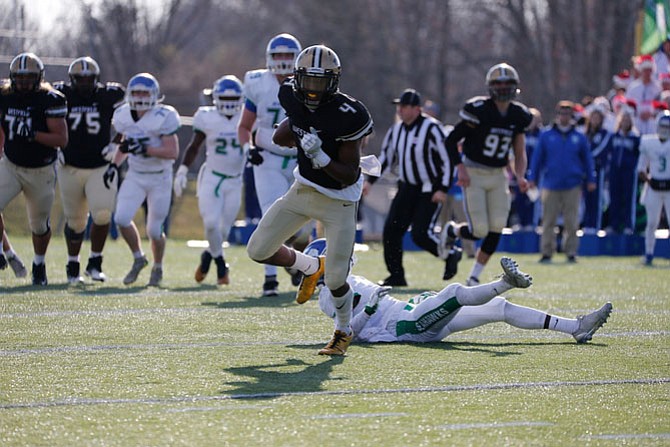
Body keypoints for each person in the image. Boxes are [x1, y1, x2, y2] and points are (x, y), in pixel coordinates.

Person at [246, 44, 374, 356]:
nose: (313, 90)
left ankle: (343, 330)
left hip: (339, 199)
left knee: (336, 280)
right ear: (298, 78)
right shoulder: (290, 93)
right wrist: (292, 132)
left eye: (321, 82)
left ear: (333, 82)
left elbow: (348, 174)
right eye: (309, 81)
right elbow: (283, 134)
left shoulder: (349, 115)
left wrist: (320, 154)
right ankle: (308, 265)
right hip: (302, 189)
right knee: (257, 249)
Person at [312, 240, 612, 345]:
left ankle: (577, 327)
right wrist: (369, 308)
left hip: (409, 313)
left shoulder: (348, 278)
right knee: (455, 290)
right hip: (404, 327)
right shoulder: (328, 295)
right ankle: (507, 281)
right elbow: (349, 333)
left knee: (500, 308)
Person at [443, 62, 533, 286]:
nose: (503, 87)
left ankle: (474, 276)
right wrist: (460, 168)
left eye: (507, 83)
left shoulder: (519, 114)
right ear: (490, 86)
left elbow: (519, 152)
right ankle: (453, 230)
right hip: (473, 172)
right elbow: (451, 140)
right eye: (498, 83)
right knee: (479, 229)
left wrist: (520, 176)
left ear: (515, 86)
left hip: (498, 174)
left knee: (496, 227)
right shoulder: (479, 110)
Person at [238, 33, 310, 297]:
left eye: (288, 55)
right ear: (269, 58)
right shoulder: (258, 83)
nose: (282, 61)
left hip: (300, 160)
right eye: (278, 55)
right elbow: (245, 126)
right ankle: (270, 278)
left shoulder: (308, 82)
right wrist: (249, 149)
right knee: (270, 217)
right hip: (266, 158)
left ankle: (298, 264)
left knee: (303, 230)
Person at [364, 88, 454, 286]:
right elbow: (386, 158)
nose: (400, 110)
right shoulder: (396, 130)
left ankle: (450, 254)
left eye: (404, 107)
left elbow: (448, 160)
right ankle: (396, 275)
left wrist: (443, 188)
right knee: (391, 230)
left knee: (420, 235)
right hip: (406, 186)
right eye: (399, 106)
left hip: (429, 188)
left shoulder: (432, 128)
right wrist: (369, 181)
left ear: (416, 108)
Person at [53, 56, 125, 284]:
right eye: (80, 79)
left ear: (97, 79)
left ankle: (95, 263)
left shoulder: (106, 96)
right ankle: (73, 265)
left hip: (99, 166)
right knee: (75, 221)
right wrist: (56, 147)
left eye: (89, 79)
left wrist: (116, 142)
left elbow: (127, 118)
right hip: (70, 165)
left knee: (102, 214)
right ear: (72, 79)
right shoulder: (61, 94)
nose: (84, 83)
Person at [0, 52, 68, 286]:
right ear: (12, 77)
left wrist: (33, 135)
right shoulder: (5, 96)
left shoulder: (49, 99)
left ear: (39, 78)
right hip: (10, 165)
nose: (24, 82)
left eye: (29, 78)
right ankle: (4, 251)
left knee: (39, 225)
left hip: (41, 170)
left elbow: (61, 139)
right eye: (20, 78)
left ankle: (39, 263)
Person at [107, 73, 180, 286]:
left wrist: (145, 149)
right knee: (120, 218)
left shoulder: (163, 116)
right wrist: (113, 165)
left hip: (160, 178)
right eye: (136, 92)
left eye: (144, 92)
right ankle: (139, 258)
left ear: (154, 95)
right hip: (136, 176)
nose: (139, 96)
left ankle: (157, 267)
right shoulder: (123, 115)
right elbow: (124, 145)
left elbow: (172, 151)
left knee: (155, 230)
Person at [173, 75, 245, 285]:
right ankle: (221, 265)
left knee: (222, 231)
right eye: (225, 98)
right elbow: (195, 146)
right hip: (212, 178)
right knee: (212, 224)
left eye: (234, 99)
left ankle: (207, 257)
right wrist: (182, 171)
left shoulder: (247, 117)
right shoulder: (207, 116)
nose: (230, 104)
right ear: (215, 98)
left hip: (235, 181)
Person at [528, 101, 596, 263]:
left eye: (567, 114)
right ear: (557, 115)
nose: (564, 117)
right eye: (561, 113)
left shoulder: (578, 136)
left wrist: (591, 178)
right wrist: (533, 178)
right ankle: (546, 252)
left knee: (572, 221)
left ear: (571, 116)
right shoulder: (546, 135)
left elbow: (587, 160)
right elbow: (537, 159)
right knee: (548, 221)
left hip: (572, 184)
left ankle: (571, 252)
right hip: (550, 183)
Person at [637, 110, 670, 266]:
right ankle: (649, 253)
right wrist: (649, 180)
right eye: (662, 126)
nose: (664, 129)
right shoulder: (648, 142)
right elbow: (641, 167)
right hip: (654, 186)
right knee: (651, 223)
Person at [607, 104, 640, 235]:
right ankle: (613, 225)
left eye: (628, 120)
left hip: (629, 173)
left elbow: (638, 156)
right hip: (615, 172)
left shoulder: (635, 138)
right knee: (614, 198)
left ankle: (628, 226)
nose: (625, 122)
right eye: (623, 119)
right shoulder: (614, 136)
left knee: (628, 199)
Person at [581, 104, 612, 234]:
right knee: (586, 199)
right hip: (585, 172)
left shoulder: (605, 134)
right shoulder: (585, 134)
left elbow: (600, 151)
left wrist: (587, 158)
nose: (595, 120)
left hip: (598, 170)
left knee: (597, 199)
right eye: (593, 117)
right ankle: (586, 224)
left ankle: (596, 225)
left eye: (597, 117)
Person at [626, 55, 661, 135]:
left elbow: (660, 105)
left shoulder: (657, 87)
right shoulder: (633, 87)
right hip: (637, 122)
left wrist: (651, 113)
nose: (647, 73)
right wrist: (638, 113)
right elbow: (628, 105)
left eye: (649, 70)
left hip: (652, 124)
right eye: (645, 70)